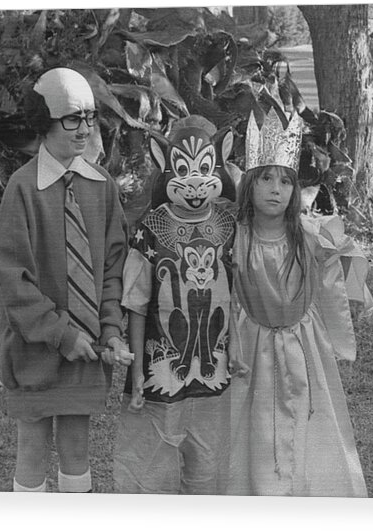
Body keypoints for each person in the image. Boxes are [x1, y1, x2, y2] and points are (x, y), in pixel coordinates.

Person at [0, 67, 130, 493]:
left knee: (75, 446)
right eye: (72, 118)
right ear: (44, 122)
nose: (85, 128)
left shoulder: (101, 185)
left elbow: (113, 266)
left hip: (87, 350)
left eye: (89, 117)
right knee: (32, 448)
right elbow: (12, 279)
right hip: (35, 349)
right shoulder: (22, 188)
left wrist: (109, 329)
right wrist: (60, 334)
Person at [227, 108, 373, 497]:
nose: (276, 189)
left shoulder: (307, 237)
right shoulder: (236, 239)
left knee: (308, 420)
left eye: (285, 182)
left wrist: (360, 296)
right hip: (254, 344)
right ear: (249, 185)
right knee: (256, 425)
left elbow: (340, 262)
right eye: (265, 178)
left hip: (301, 344)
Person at [113, 116, 236, 494]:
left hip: (214, 370)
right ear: (165, 166)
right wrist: (136, 373)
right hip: (162, 369)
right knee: (151, 464)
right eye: (184, 169)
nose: (196, 182)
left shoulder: (229, 225)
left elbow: (239, 295)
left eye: (205, 169)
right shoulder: (151, 229)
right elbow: (136, 303)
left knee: (208, 465)